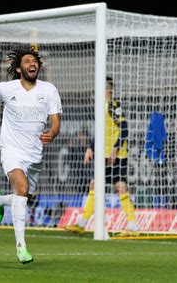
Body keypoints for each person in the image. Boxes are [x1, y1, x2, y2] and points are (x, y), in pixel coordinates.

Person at [0, 48, 62, 264]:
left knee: (24, 197)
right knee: (21, 189)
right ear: (19, 68)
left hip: (35, 154)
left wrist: (53, 133)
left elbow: (55, 120)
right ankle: (21, 247)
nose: (33, 64)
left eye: (35, 61)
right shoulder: (5, 88)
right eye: (28, 61)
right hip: (11, 149)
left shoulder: (49, 90)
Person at [65, 76, 138, 237]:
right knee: (109, 185)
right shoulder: (102, 106)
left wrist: (115, 149)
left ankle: (84, 224)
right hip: (104, 154)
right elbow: (100, 131)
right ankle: (132, 227)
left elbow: (124, 129)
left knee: (111, 186)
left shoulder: (113, 105)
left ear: (108, 89)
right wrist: (90, 148)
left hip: (116, 155)